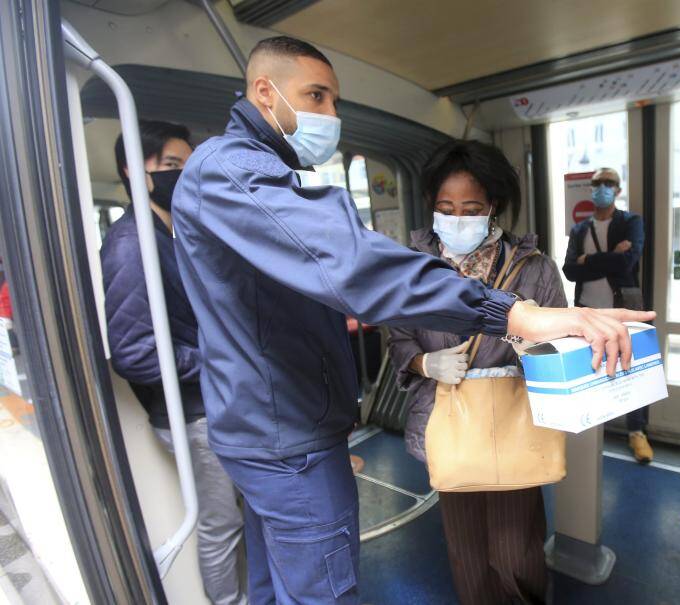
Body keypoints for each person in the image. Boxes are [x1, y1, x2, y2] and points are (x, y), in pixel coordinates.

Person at [171, 36, 654, 605]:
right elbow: (355, 269)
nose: (331, 116)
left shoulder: (532, 263)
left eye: (333, 101)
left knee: (514, 547)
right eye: (316, 96)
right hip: (293, 433)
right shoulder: (234, 174)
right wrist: (512, 317)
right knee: (350, 582)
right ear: (263, 91)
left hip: (304, 425)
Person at [388, 140, 566, 605]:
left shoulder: (535, 269)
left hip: (512, 420)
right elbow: (399, 338)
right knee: (466, 548)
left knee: (516, 550)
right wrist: (424, 362)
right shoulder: (410, 269)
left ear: (493, 206)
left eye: (470, 207)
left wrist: (526, 343)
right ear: (432, 206)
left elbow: (559, 345)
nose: (457, 218)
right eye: (446, 207)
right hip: (445, 420)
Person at [100, 121, 246, 605]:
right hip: (192, 413)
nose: (182, 176)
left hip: (215, 402)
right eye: (170, 166)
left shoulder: (176, 231)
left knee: (242, 515)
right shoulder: (130, 243)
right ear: (133, 173)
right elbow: (135, 353)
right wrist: (216, 360)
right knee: (221, 522)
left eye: (187, 165)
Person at [562, 167, 654, 463]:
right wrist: (609, 257)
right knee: (590, 367)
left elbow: (627, 263)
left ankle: (636, 433)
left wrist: (588, 260)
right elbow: (569, 270)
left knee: (633, 369)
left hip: (624, 307)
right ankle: (590, 429)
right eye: (597, 183)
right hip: (587, 311)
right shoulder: (579, 229)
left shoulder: (631, 222)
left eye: (608, 183)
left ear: (618, 189)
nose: (602, 187)